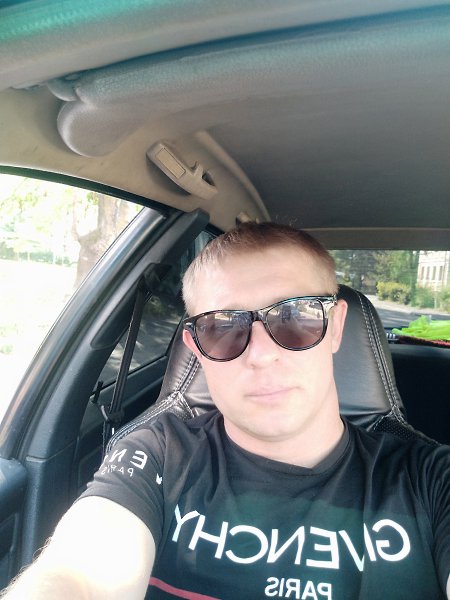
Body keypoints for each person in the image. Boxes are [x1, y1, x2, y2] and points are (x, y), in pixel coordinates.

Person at [1, 222, 449, 599]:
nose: (261, 355)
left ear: (335, 328)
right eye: (223, 327)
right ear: (197, 346)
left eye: (296, 317)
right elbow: (80, 575)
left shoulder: (430, 478)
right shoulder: (157, 455)